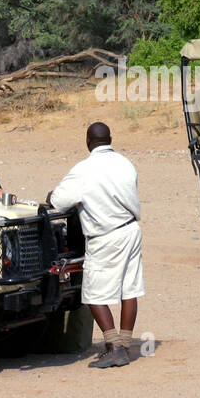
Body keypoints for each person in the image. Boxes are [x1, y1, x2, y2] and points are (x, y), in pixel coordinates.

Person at [47, 123, 144, 370]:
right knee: (128, 289)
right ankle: (124, 345)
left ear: (88, 141)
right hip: (131, 229)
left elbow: (59, 200)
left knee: (92, 293)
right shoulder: (125, 163)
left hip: (106, 235)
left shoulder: (84, 170)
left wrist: (50, 196)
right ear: (110, 139)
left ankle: (114, 347)